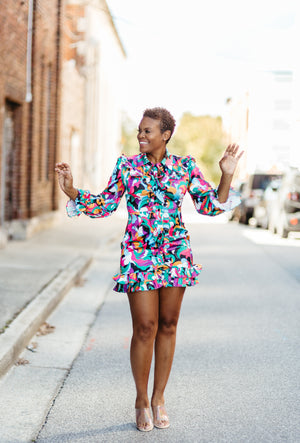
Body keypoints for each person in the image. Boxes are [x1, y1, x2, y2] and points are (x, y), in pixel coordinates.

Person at [55, 107, 243, 432]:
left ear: (165, 135)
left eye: (147, 132)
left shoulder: (185, 167)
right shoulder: (127, 166)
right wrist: (71, 190)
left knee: (168, 325)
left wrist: (226, 174)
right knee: (145, 327)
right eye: (140, 131)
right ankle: (141, 399)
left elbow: (210, 205)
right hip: (138, 254)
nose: (141, 136)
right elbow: (105, 204)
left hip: (174, 254)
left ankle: (159, 398)